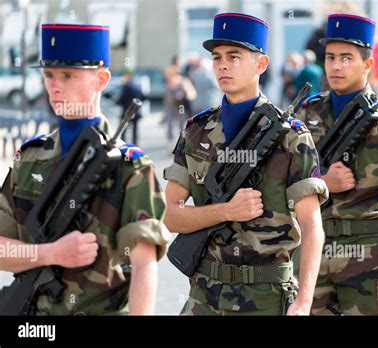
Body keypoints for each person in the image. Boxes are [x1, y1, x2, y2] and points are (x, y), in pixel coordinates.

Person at [163, 12, 328, 315]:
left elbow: (312, 225)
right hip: (204, 295)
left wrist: (304, 302)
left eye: (235, 56)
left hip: (267, 297)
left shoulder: (291, 137)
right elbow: (171, 217)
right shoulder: (195, 130)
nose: (223, 65)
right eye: (217, 57)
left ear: (261, 64)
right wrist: (225, 211)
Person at [0, 23, 170, 315]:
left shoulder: (132, 166)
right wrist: (49, 253)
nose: (54, 86)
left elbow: (144, 266)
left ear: (101, 79)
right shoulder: (28, 159)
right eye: (49, 75)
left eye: (68, 75)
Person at [297, 13, 378, 315]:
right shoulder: (307, 113)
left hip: (369, 252)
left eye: (346, 58)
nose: (336, 66)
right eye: (330, 57)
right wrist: (324, 183)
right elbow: (288, 181)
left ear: (367, 64)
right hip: (316, 245)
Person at [116, 67, 146, 144]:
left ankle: (123, 145)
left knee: (123, 130)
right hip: (136, 112)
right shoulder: (137, 85)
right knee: (134, 131)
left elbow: (123, 98)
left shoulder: (126, 85)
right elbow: (143, 97)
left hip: (127, 112)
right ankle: (135, 145)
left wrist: (118, 103)